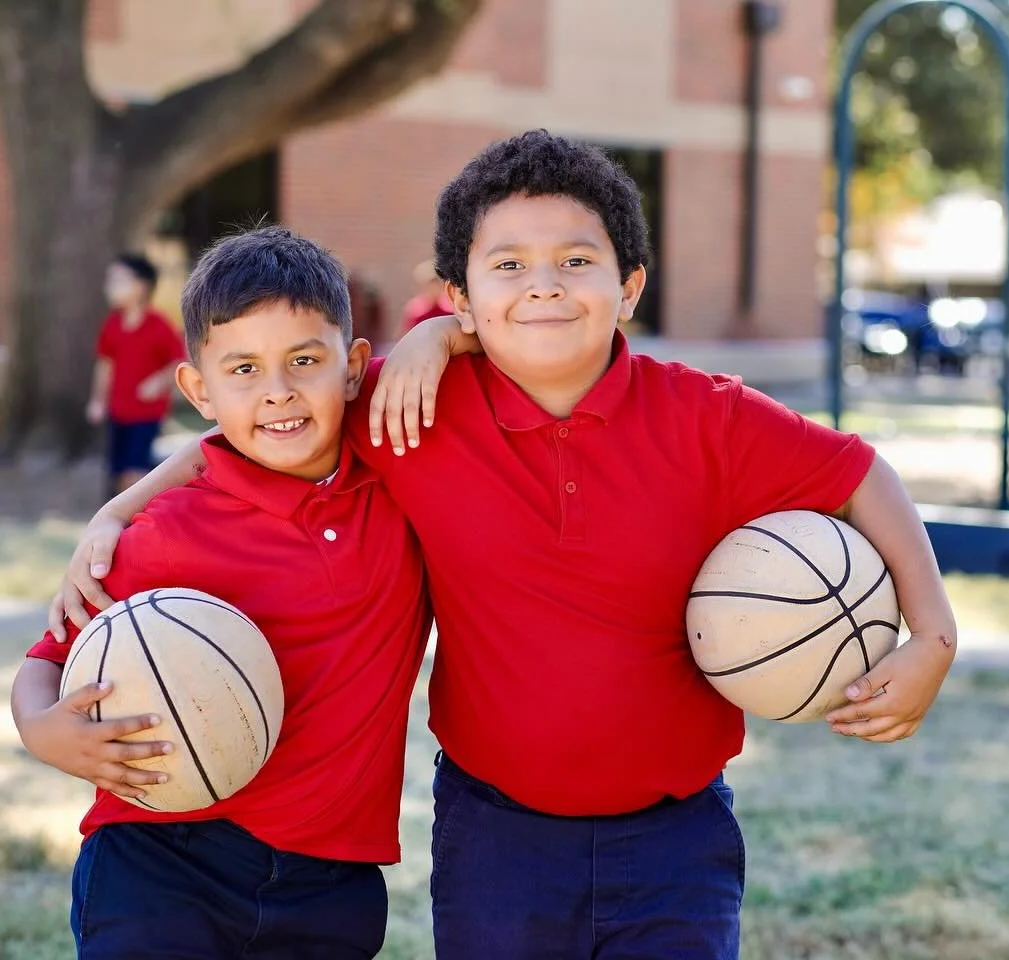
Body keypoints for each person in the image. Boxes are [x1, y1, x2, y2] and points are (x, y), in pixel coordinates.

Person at [53, 131, 958, 960]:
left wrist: (932, 638)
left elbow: (858, 474)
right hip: (497, 835)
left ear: (631, 283)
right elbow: (259, 423)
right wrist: (119, 511)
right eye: (508, 265)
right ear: (463, 296)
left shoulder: (708, 418)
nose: (544, 284)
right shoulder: (413, 414)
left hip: (677, 834)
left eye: (577, 260)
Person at [14, 227, 429, 959]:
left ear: (357, 367)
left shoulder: (404, 485)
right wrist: (39, 728)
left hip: (333, 880)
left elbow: (494, 351)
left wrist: (443, 341)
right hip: (161, 862)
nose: (278, 391)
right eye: (243, 369)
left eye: (305, 361)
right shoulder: (165, 534)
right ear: (198, 389)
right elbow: (49, 656)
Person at [87, 253, 187, 495]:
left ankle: (137, 518)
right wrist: (98, 400)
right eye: (109, 281)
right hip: (118, 410)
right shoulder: (112, 324)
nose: (111, 287)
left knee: (136, 470)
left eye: (119, 280)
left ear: (141, 286)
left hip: (147, 413)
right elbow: (105, 365)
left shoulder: (159, 325)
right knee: (117, 469)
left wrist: (158, 382)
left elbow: (179, 361)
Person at [399, 259, 454, 333]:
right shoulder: (415, 310)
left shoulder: (450, 307)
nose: (433, 289)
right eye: (429, 285)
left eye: (435, 284)